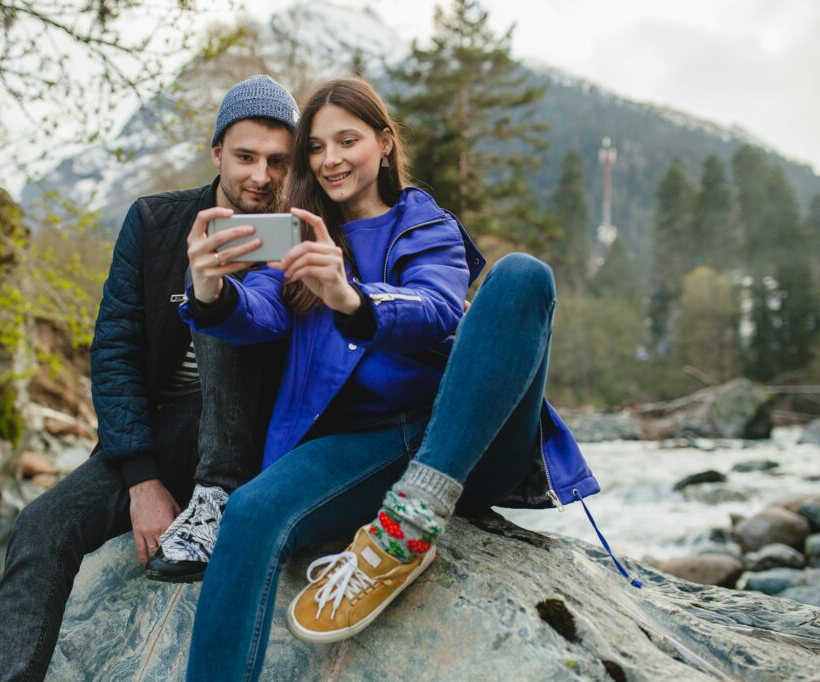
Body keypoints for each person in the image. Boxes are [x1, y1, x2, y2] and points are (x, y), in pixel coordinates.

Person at [178, 77, 599, 681]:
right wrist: (210, 291)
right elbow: (261, 310)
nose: (330, 159)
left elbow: (437, 309)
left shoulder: (425, 224)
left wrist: (350, 297)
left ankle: (409, 525)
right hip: (357, 449)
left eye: (347, 141)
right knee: (246, 514)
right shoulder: (302, 233)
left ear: (383, 142)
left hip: (460, 440)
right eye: (316, 147)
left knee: (522, 276)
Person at [0, 75, 299, 681]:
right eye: (246, 156)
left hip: (254, 435)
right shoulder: (156, 222)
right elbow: (115, 348)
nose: (261, 175)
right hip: (158, 428)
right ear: (217, 154)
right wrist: (142, 480)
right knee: (42, 525)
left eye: (277, 161)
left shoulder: (304, 232)